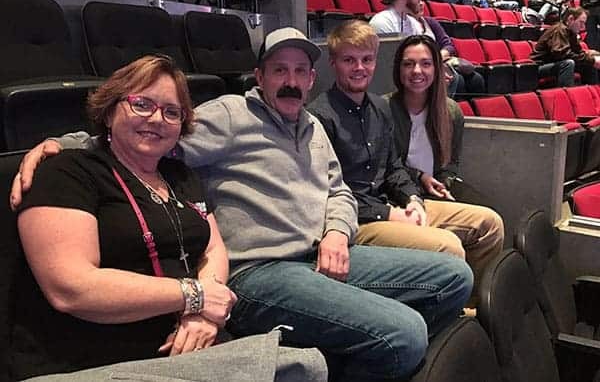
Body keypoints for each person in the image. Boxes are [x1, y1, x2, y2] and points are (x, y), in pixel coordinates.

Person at [12, 29, 474, 382]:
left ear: (312, 79)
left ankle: (348, 347)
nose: (290, 81)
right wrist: (60, 142)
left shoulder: (313, 126)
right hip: (262, 272)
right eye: (279, 70)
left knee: (455, 277)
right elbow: (148, 133)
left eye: (299, 72)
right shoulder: (232, 115)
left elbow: (340, 190)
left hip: (320, 256)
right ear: (260, 76)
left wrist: (336, 230)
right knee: (406, 334)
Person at [11, 55, 327, 381]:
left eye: (171, 112)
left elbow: (213, 249)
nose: (157, 118)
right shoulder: (66, 171)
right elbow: (71, 288)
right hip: (90, 360)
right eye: (142, 104)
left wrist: (205, 316)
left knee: (308, 365)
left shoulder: (180, 176)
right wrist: (195, 296)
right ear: (108, 112)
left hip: (186, 345)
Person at [308, 23, 503, 307]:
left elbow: (394, 167)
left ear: (376, 61)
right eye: (349, 60)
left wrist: (412, 198)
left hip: (392, 204)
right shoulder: (319, 116)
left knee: (489, 224)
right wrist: (388, 214)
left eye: (366, 59)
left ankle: (471, 307)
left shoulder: (380, 107)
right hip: (355, 221)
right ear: (333, 62)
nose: (359, 67)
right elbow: (328, 193)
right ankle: (448, 319)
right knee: (448, 247)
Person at [410, 0, 486, 97]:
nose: (421, 4)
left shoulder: (430, 22)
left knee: (476, 79)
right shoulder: (404, 26)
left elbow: (448, 45)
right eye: (417, 1)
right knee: (458, 80)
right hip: (424, 65)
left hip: (440, 61)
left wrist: (439, 57)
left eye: (422, 1)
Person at [530, 7, 600, 86]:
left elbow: (578, 52)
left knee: (589, 63)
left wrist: (593, 58)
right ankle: (567, 94)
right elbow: (562, 54)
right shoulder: (559, 30)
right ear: (571, 19)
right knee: (568, 64)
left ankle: (593, 93)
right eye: (581, 22)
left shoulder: (571, 33)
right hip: (538, 67)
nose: (583, 27)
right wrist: (591, 60)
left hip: (554, 63)